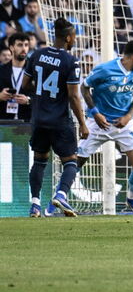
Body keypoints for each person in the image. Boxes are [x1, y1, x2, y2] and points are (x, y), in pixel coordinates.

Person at [22, 18, 86, 217]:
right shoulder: (71, 61)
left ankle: (35, 204)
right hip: (59, 120)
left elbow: (25, 85)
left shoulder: (36, 55)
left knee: (40, 160)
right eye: (74, 35)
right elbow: (74, 96)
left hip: (39, 119)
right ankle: (60, 194)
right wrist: (83, 123)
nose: (75, 39)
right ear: (68, 37)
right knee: (70, 161)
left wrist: (41, 96)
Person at [77, 40, 133, 216]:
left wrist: (128, 116)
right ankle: (58, 197)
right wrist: (95, 113)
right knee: (76, 162)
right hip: (98, 122)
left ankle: (131, 199)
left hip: (123, 124)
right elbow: (84, 88)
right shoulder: (105, 69)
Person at [0, 32, 32, 122]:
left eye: (26, 45)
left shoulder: (35, 71)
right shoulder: (1, 70)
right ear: (11, 47)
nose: (24, 49)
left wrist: (28, 100)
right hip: (4, 121)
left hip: (27, 121)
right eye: (20, 45)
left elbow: (43, 97)